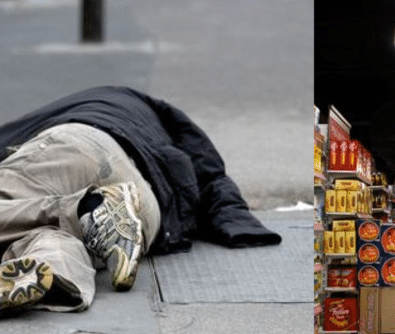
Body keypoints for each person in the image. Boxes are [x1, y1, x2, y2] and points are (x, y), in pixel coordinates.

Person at [0, 86, 281, 314]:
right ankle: (51, 273)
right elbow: (214, 178)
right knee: (57, 237)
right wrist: (237, 222)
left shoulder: (89, 103)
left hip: (78, 149)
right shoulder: (168, 133)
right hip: (145, 205)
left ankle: (90, 208)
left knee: (26, 206)